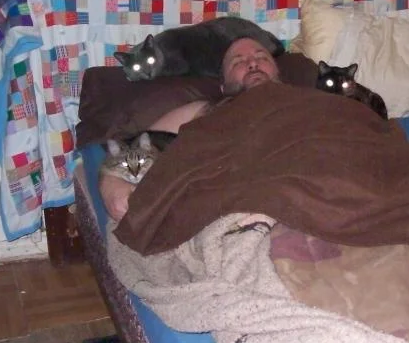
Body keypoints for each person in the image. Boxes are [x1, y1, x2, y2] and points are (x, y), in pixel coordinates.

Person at [99, 37, 281, 220]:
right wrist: (111, 185)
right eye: (238, 62)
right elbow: (137, 149)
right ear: (223, 87)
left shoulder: (299, 100)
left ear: (278, 73)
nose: (252, 63)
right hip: (232, 203)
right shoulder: (202, 110)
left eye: (262, 57)